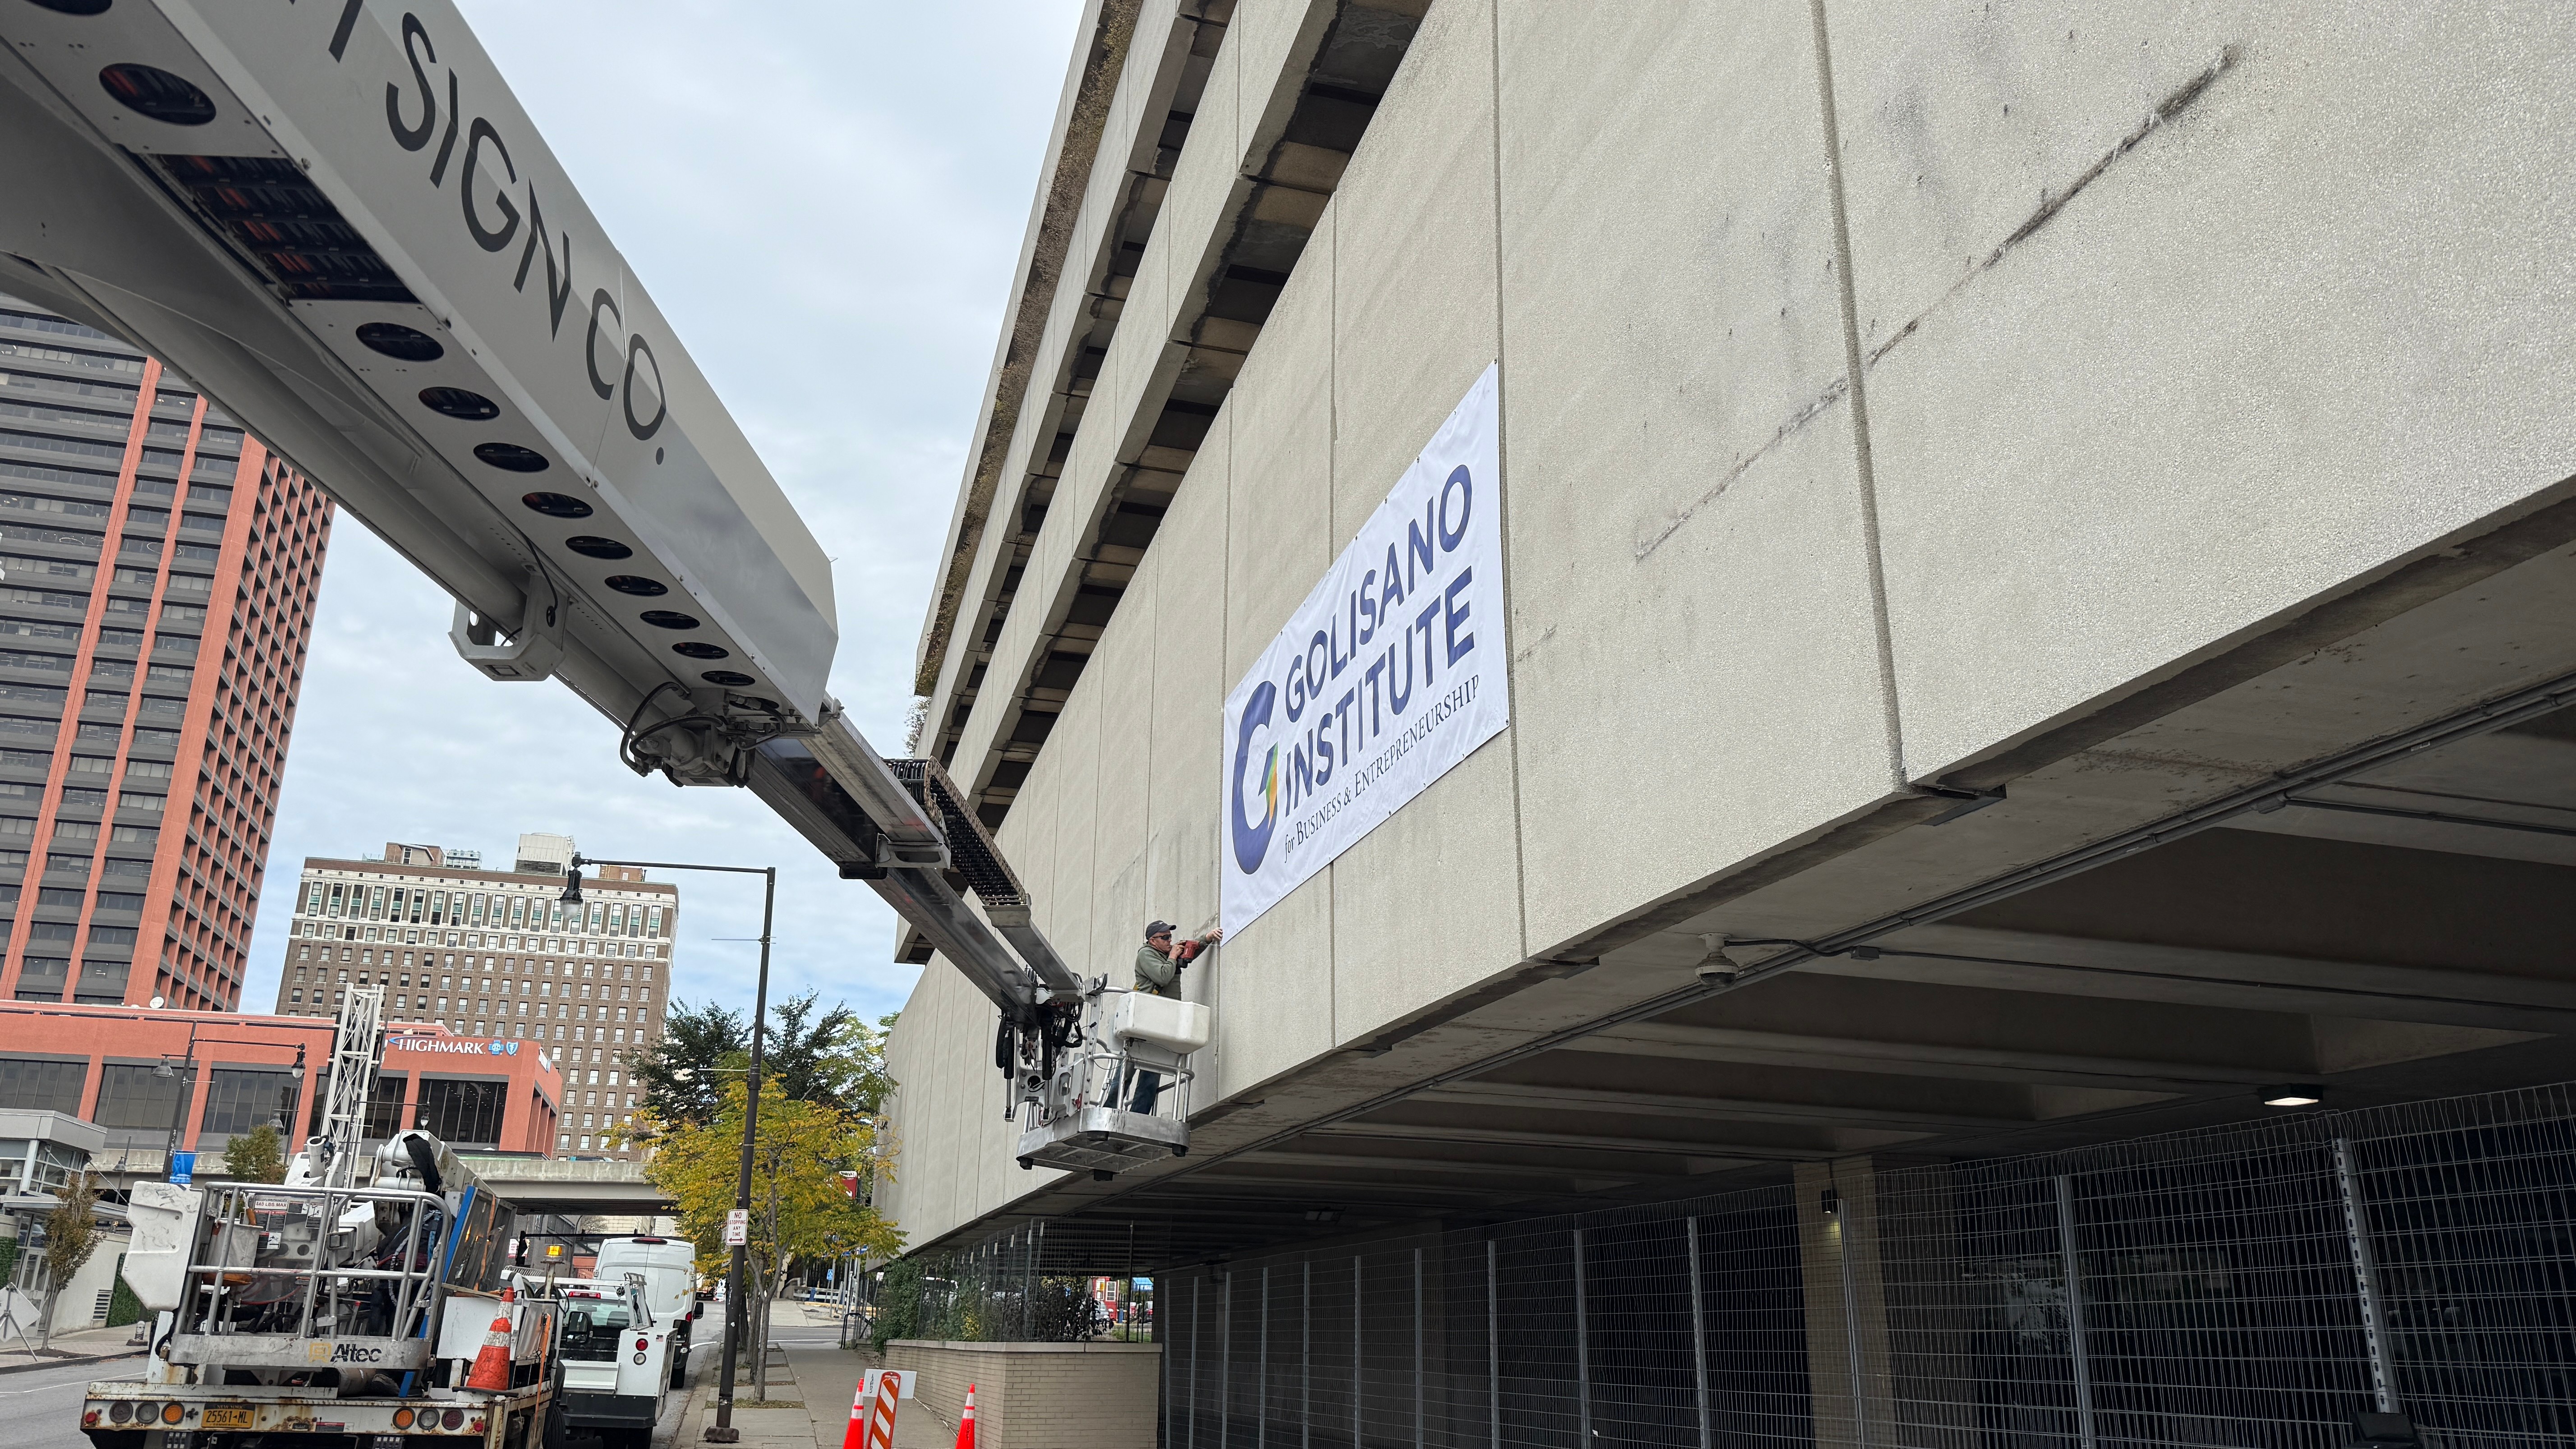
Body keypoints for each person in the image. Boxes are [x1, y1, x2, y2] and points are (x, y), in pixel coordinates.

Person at [1126, 919, 1220, 1113]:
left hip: (1163, 1020)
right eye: (1165, 937)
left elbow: (1190, 951)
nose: (1170, 941)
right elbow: (1162, 977)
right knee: (1127, 1069)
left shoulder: (1167, 953)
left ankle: (1139, 1115)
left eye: (1170, 937)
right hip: (1146, 1019)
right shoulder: (1146, 954)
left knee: (1152, 1073)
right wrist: (1173, 956)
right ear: (1153, 941)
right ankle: (1110, 1109)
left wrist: (1207, 939)